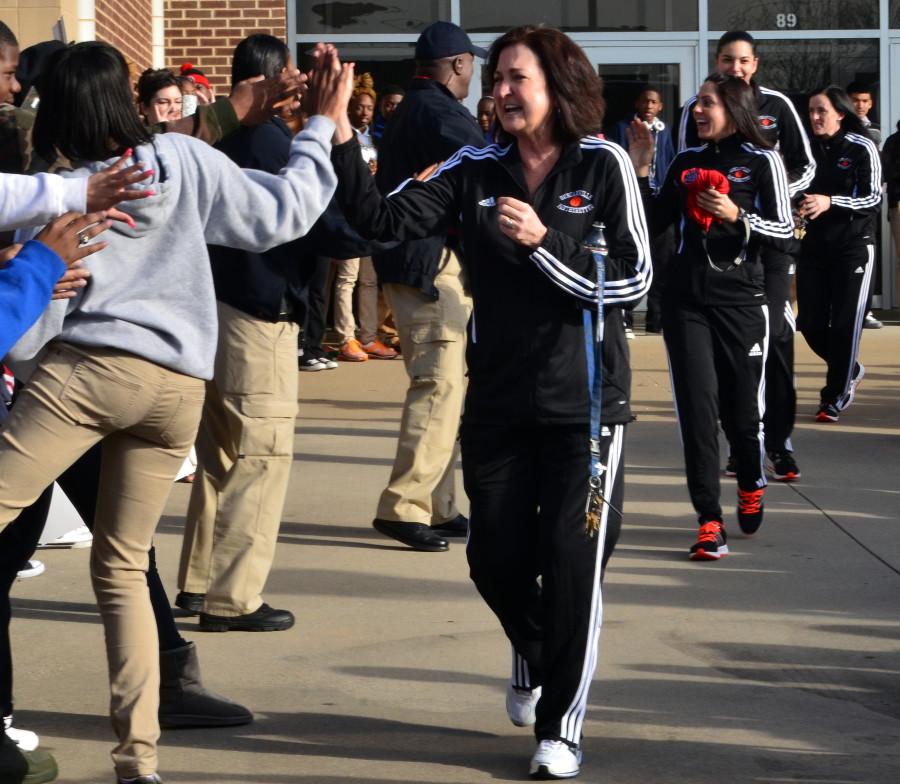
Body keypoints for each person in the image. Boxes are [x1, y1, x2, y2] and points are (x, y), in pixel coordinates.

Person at [0, 39, 347, 784]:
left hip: (87, 377)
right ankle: (140, 763)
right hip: (179, 390)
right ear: (124, 100)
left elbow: (27, 337)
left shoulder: (64, 192)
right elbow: (282, 214)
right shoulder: (182, 162)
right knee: (123, 569)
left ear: (56, 110)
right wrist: (321, 127)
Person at [321, 22, 651, 777]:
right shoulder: (472, 166)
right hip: (500, 404)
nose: (499, 92)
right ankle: (532, 652)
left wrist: (545, 243)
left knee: (572, 563)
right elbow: (379, 220)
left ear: (557, 86)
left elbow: (635, 282)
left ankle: (561, 729)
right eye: (496, 77)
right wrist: (340, 133)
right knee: (494, 561)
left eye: (516, 79)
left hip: (588, 410)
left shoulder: (601, 166)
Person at [176, 33, 324, 632]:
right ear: (277, 79)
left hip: (210, 308)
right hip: (257, 316)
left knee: (219, 454)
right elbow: (319, 225)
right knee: (261, 453)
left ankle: (197, 581)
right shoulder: (270, 143)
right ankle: (232, 598)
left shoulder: (210, 139)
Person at [632, 73, 794, 559]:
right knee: (698, 415)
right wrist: (641, 170)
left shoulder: (764, 161)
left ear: (734, 108)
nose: (697, 111)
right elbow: (649, 222)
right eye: (696, 104)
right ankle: (708, 520)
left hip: (743, 304)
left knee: (742, 417)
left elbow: (786, 231)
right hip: (688, 304)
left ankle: (750, 478)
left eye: (707, 103)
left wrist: (737, 216)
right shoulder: (684, 161)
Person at [366, 20, 487, 553]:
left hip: (414, 263)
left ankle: (438, 507)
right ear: (459, 65)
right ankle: (404, 506)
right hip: (430, 265)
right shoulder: (440, 112)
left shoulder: (415, 107)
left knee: (445, 387)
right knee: (439, 386)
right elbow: (489, 163)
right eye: (474, 66)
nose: (475, 77)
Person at [679, 30, 814, 483]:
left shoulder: (778, 106)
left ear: (755, 65)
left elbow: (806, 164)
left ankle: (778, 442)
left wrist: (767, 200)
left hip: (767, 251)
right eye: (726, 60)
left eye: (742, 61)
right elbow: (683, 168)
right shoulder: (697, 111)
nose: (734, 68)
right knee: (726, 360)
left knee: (775, 336)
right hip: (715, 257)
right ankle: (744, 441)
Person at [797, 85, 881, 423]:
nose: (815, 117)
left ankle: (835, 395)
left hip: (854, 247)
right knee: (811, 323)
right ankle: (852, 369)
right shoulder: (806, 149)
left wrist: (832, 201)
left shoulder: (862, 147)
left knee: (846, 324)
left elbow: (873, 199)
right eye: (812, 111)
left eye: (822, 111)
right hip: (815, 246)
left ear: (840, 114)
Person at [333, 72, 397, 362]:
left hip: (372, 213)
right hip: (348, 216)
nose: (364, 112)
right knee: (347, 278)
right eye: (359, 107)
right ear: (349, 108)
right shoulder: (343, 137)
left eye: (369, 108)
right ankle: (346, 337)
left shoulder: (375, 138)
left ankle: (369, 336)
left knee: (370, 281)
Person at [610, 85, 675, 333]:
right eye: (645, 101)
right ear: (637, 104)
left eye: (654, 102)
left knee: (662, 257)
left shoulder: (665, 130)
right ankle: (624, 314)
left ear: (660, 107)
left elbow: (669, 159)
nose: (649, 106)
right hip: (632, 199)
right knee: (628, 253)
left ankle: (656, 317)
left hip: (657, 200)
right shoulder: (621, 128)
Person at [846, 80, 884, 330]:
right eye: (856, 100)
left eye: (865, 101)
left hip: (866, 205)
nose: (860, 105)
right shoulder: (837, 129)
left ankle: (865, 310)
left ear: (871, 104)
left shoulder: (876, 132)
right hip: (837, 206)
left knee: (867, 257)